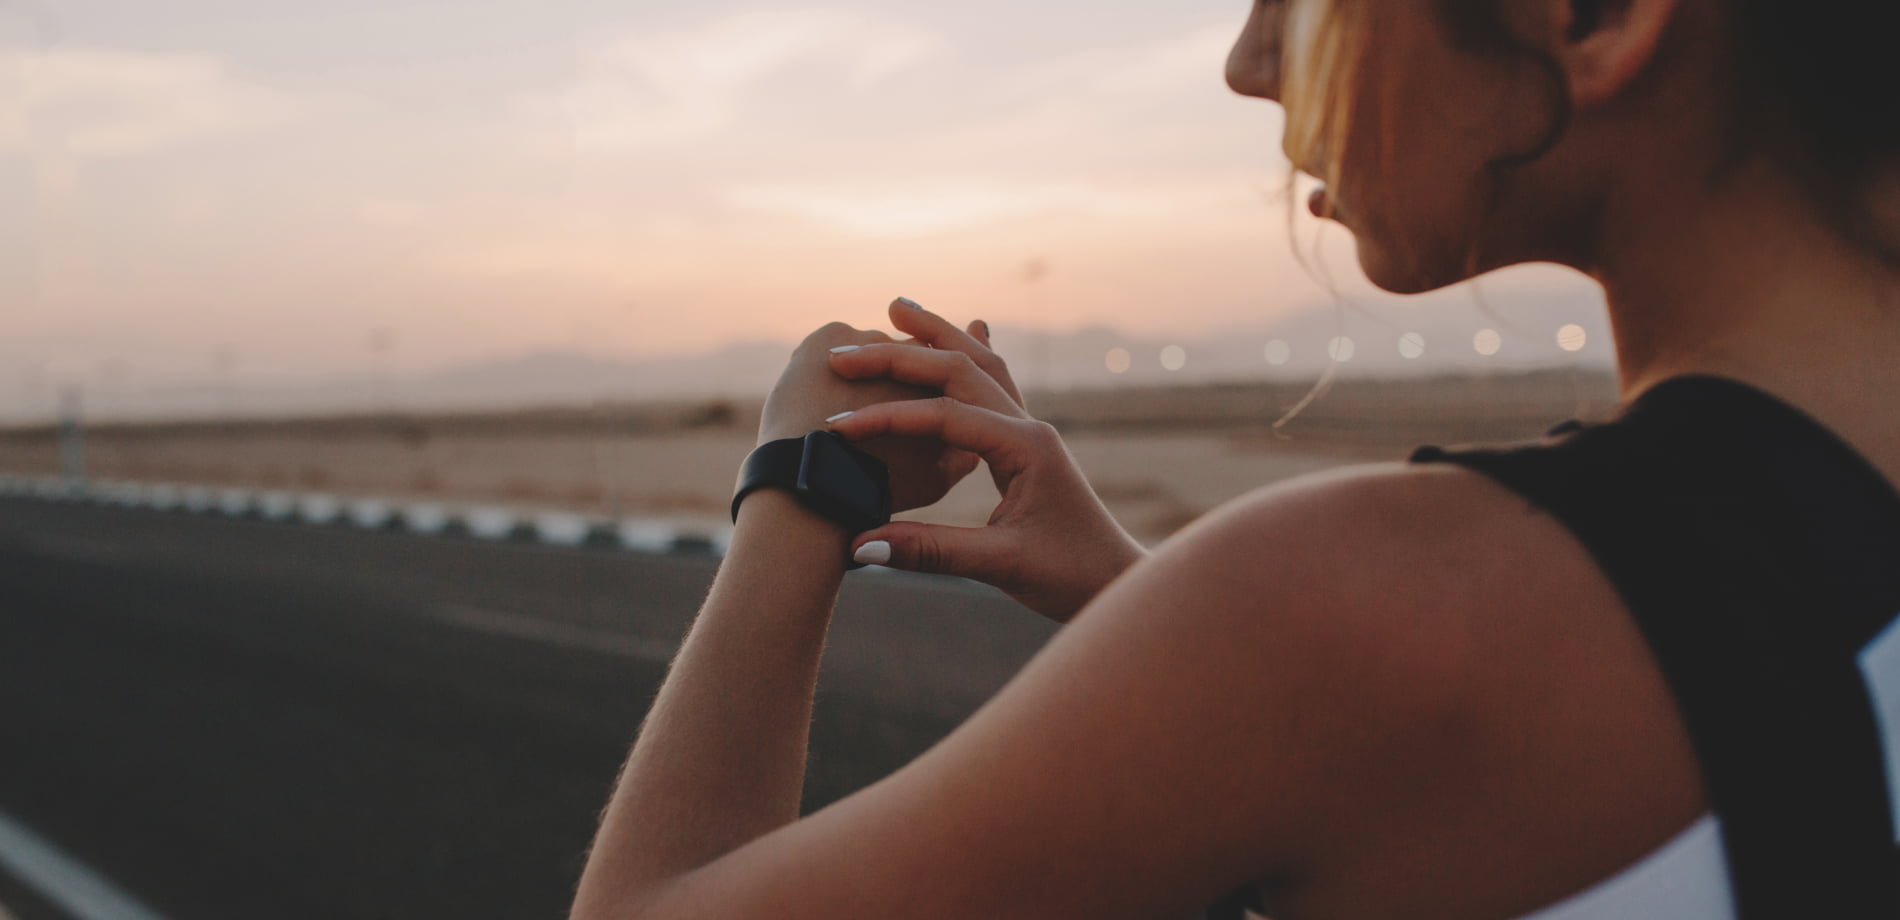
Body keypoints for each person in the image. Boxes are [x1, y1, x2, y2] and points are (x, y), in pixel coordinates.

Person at [571, 0, 1900, 916]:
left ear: (1594, 14)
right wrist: (1135, 596)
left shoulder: (1353, 607)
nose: (1251, 58)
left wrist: (807, 482)